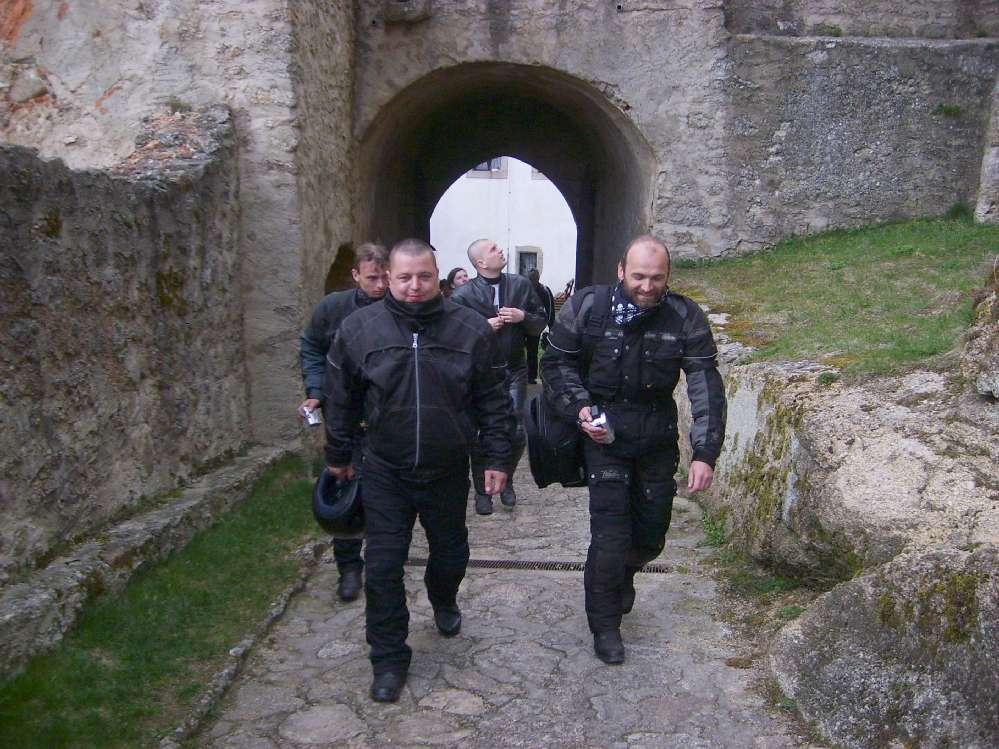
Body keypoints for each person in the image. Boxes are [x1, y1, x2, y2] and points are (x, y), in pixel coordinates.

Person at [324, 238, 511, 703]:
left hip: (447, 469)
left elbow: (493, 400)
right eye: (404, 277)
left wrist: (496, 459)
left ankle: (443, 597)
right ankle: (388, 659)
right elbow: (341, 398)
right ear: (388, 277)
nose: (414, 286)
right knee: (382, 566)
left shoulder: (470, 329)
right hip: (385, 469)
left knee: (450, 555)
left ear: (437, 277)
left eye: (424, 276)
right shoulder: (359, 329)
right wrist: (339, 456)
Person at [540, 235, 726, 665]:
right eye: (639, 276)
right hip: (603, 439)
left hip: (656, 439)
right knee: (609, 537)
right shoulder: (587, 308)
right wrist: (580, 408)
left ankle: (625, 572)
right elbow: (555, 364)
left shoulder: (684, 316)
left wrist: (704, 452)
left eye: (656, 278)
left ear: (668, 276)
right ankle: (604, 625)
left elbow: (705, 383)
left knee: (650, 535)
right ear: (621, 271)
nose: (647, 286)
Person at [298, 242, 388, 603]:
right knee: (345, 488)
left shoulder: (401, 310)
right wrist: (316, 390)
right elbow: (311, 346)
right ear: (355, 275)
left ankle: (382, 561)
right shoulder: (332, 309)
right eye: (372, 278)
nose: (380, 285)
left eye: (385, 278)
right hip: (345, 417)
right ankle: (349, 566)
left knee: (385, 495)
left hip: (386, 419)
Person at [451, 239, 547, 515]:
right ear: (480, 263)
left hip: (514, 368)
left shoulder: (520, 285)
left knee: (515, 431)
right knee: (480, 433)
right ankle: (482, 490)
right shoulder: (462, 296)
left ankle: (506, 479)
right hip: (480, 373)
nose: (500, 251)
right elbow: (452, 336)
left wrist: (522, 316)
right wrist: (481, 327)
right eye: (493, 249)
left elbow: (541, 321)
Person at [525, 268, 555, 384]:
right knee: (522, 351)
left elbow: (550, 310)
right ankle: (524, 375)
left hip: (535, 326)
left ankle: (531, 376)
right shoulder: (523, 289)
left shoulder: (544, 291)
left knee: (532, 351)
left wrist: (550, 327)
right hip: (523, 324)